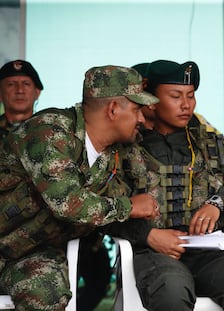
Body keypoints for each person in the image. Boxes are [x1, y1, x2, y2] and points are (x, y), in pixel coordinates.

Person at [107, 59, 224, 311]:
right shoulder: (126, 145)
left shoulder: (209, 142)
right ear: (151, 99)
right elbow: (104, 207)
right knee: (171, 288)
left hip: (211, 252)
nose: (186, 104)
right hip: (156, 252)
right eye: (175, 96)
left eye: (190, 96)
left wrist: (218, 204)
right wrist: (147, 235)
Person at [0, 64, 160, 310]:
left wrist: (153, 232)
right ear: (114, 108)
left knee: (48, 295)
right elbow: (67, 203)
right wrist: (128, 207)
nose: (141, 117)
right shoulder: (49, 131)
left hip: (30, 253)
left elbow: (146, 194)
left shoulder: (115, 154)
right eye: (137, 108)